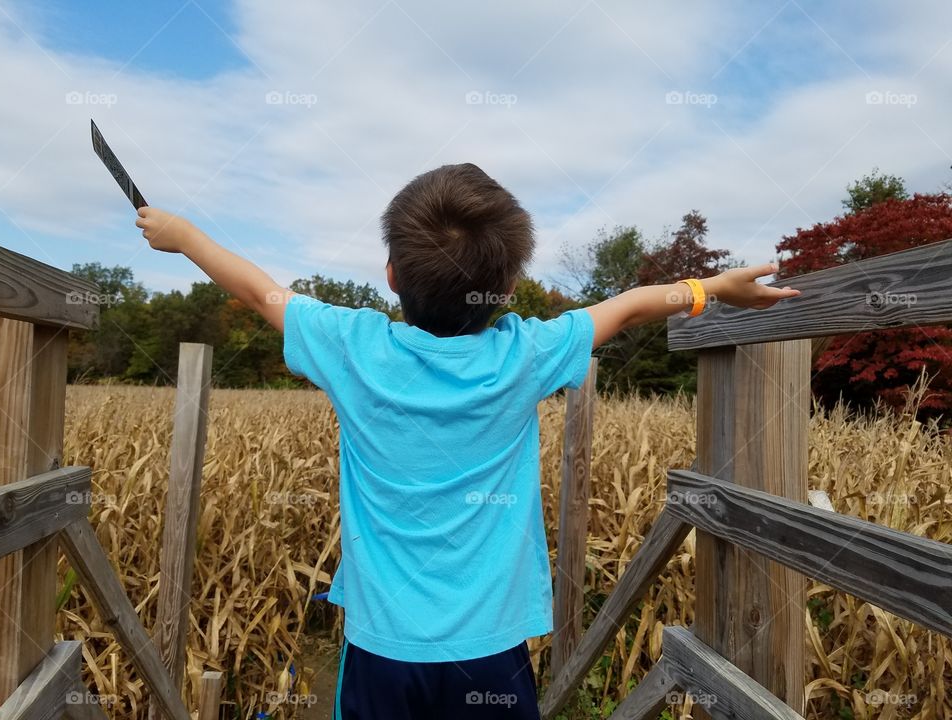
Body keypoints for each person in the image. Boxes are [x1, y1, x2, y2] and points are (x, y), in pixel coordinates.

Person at [136, 163, 798, 719]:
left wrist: (185, 236)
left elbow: (259, 292)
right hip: (490, 652)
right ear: (506, 290)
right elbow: (626, 306)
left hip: (382, 651)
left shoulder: (354, 349)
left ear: (392, 274)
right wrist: (709, 288)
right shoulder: (523, 356)